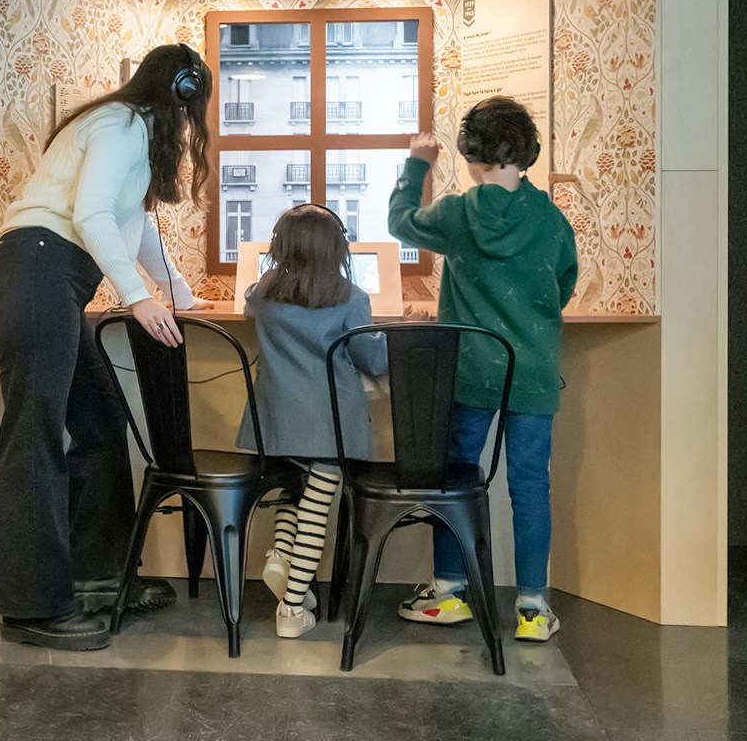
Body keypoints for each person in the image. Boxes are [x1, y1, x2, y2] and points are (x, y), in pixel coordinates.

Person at [0, 43, 212, 651]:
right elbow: (91, 213)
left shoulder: (131, 131)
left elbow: (132, 227)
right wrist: (137, 297)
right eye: (193, 106)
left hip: (50, 279)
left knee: (102, 421)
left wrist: (176, 290)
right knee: (35, 438)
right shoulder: (119, 125)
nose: (191, 123)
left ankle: (100, 576)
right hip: (35, 273)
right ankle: (33, 607)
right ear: (181, 93)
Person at [387, 96, 578, 643]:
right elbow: (563, 283)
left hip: (471, 368)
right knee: (529, 485)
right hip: (534, 369)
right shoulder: (550, 218)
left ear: (471, 153)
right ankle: (534, 609)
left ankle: (448, 592)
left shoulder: (457, 214)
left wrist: (417, 162)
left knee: (456, 478)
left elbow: (400, 222)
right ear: (526, 152)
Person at [236, 204, 386, 639]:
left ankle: (280, 555)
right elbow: (370, 358)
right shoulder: (352, 300)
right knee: (317, 510)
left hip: (275, 425)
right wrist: (394, 336)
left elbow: (251, 305)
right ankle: (293, 608)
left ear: (280, 247)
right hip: (331, 427)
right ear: (338, 249)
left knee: (292, 494)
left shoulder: (263, 293)